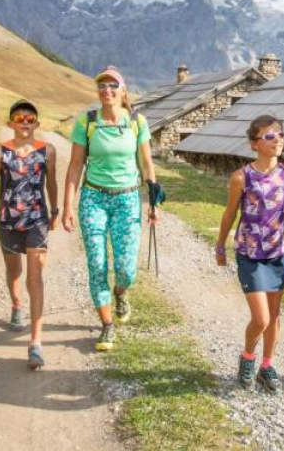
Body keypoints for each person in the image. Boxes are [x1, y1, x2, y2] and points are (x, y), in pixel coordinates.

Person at [62, 65, 160, 352]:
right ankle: (106, 326)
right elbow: (75, 166)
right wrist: (68, 205)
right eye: (102, 86)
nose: (107, 90)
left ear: (123, 90)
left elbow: (146, 164)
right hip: (93, 198)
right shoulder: (86, 123)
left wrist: (154, 200)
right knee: (97, 263)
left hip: (128, 199)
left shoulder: (137, 122)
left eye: (113, 85)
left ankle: (121, 292)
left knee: (126, 268)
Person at [214, 115, 284, 393]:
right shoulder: (240, 177)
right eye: (270, 136)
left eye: (280, 134)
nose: (278, 140)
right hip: (249, 254)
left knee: (275, 314)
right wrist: (220, 245)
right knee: (261, 318)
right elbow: (230, 214)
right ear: (254, 144)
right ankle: (247, 358)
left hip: (276, 254)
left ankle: (266, 366)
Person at [0, 99, 58, 370]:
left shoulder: (48, 151)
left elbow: (52, 183)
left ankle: (36, 342)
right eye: (19, 117)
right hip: (8, 222)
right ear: (10, 123)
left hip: (37, 221)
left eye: (30, 118)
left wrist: (56, 210)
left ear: (37, 123)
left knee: (35, 277)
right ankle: (16, 306)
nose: (24, 122)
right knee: (14, 272)